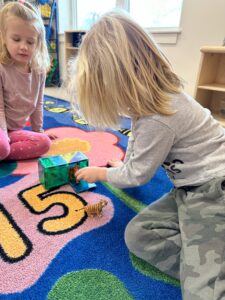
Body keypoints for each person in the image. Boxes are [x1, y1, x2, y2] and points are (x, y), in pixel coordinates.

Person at [71, 12, 225, 300]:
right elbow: (139, 146)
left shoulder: (158, 116)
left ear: (120, 83)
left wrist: (101, 173)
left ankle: (209, 270)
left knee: (199, 292)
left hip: (213, 192)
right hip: (191, 190)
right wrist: (125, 163)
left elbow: (137, 176)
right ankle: (210, 253)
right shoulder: (150, 107)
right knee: (139, 236)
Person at [0, 1, 54, 161]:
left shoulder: (39, 71)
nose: (23, 46)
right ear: (3, 38)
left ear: (38, 43)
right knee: (2, 146)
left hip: (13, 132)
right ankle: (4, 150)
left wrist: (38, 131)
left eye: (30, 42)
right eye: (16, 40)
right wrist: (4, 134)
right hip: (1, 126)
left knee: (44, 143)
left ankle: (4, 152)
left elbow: (38, 105)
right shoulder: (2, 69)